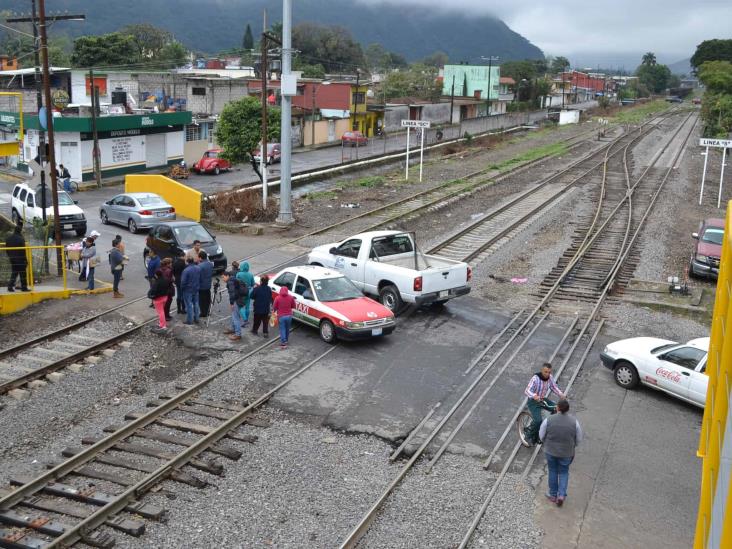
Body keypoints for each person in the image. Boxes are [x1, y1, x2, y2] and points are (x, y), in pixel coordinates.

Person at [539, 399, 583, 507]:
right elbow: (579, 439)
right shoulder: (574, 422)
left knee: (553, 470)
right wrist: (572, 446)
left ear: (557, 408)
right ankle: (561, 495)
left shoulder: (548, 420)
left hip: (551, 451)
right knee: (564, 472)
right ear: (568, 409)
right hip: (567, 453)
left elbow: (541, 435)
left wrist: (546, 443)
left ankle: (552, 494)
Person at [523, 362, 565, 446]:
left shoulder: (550, 378)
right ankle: (528, 436)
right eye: (545, 372)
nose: (547, 374)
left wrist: (561, 394)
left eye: (549, 372)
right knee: (538, 420)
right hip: (533, 401)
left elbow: (553, 387)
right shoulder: (535, 378)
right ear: (542, 370)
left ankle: (543, 430)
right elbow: (527, 390)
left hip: (542, 399)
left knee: (556, 409)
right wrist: (534, 395)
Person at [5, 225, 29, 292]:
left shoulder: (8, 238)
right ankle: (24, 288)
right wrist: (25, 260)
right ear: (20, 231)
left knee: (14, 273)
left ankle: (10, 286)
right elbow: (23, 251)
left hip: (12, 258)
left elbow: (7, 249)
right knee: (23, 273)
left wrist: (10, 256)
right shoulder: (21, 239)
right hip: (20, 258)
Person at [223, 271, 244, 341]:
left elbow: (232, 293)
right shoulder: (233, 280)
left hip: (236, 301)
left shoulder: (230, 282)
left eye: (223, 277)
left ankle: (238, 334)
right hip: (238, 299)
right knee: (234, 315)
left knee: (236, 317)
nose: (223, 279)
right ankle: (233, 329)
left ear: (227, 276)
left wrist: (231, 303)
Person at [181, 257, 201, 325]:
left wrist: (182, 288)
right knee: (196, 303)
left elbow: (183, 282)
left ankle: (190, 320)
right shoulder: (198, 268)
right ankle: (197, 318)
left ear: (187, 262)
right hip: (196, 288)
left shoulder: (186, 270)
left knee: (189, 305)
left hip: (188, 290)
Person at [236, 261, 255, 326]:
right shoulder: (250, 274)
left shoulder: (239, 274)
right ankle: (246, 318)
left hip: (241, 292)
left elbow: (236, 283)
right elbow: (253, 284)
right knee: (247, 306)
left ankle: (245, 320)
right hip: (249, 292)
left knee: (241, 306)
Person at [198, 250, 213, 317]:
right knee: (207, 298)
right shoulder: (210, 264)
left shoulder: (200, 266)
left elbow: (198, 276)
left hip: (201, 286)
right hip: (208, 284)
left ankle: (203, 312)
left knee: (201, 300)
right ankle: (208, 310)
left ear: (200, 258)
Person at [160, 257, 175, 321]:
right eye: (170, 263)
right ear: (167, 264)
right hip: (168, 289)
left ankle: (166, 315)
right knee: (168, 303)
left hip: (163, 289)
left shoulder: (160, 269)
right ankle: (166, 316)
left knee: (165, 303)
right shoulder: (169, 271)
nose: (171, 264)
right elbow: (171, 280)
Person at [172, 250, 187, 314]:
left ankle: (178, 309)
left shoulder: (175, 262)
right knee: (183, 295)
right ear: (183, 256)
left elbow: (173, 272)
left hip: (177, 280)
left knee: (178, 295)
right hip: (182, 280)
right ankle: (183, 309)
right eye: (185, 256)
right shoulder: (183, 263)